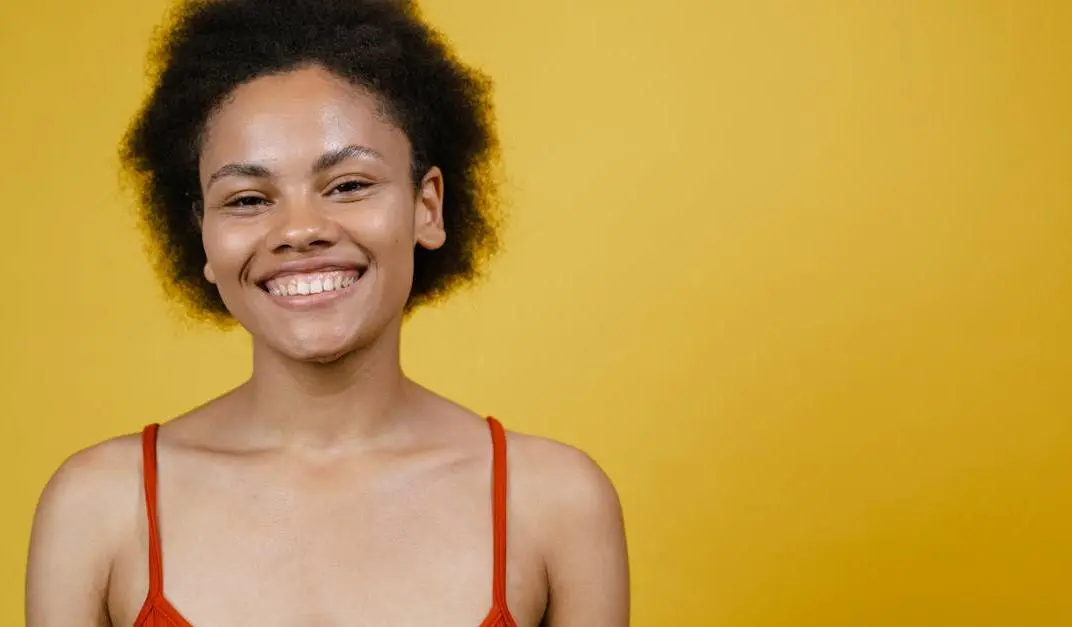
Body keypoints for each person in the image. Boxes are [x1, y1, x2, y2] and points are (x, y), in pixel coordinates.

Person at [24, 1, 630, 625]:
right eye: (249, 198)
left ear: (428, 207)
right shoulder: (98, 508)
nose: (300, 229)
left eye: (348, 185)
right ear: (201, 235)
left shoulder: (556, 504)